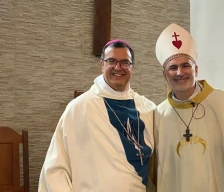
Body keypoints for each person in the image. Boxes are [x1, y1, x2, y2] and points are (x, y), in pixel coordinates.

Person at [153, 23, 224, 192]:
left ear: (196, 69)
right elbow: (152, 170)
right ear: (164, 75)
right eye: (173, 67)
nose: (180, 72)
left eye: (185, 65)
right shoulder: (158, 115)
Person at [39, 40, 156, 191]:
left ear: (132, 67)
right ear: (102, 64)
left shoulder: (148, 108)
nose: (118, 67)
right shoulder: (80, 108)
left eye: (125, 62)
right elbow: (55, 167)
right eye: (111, 61)